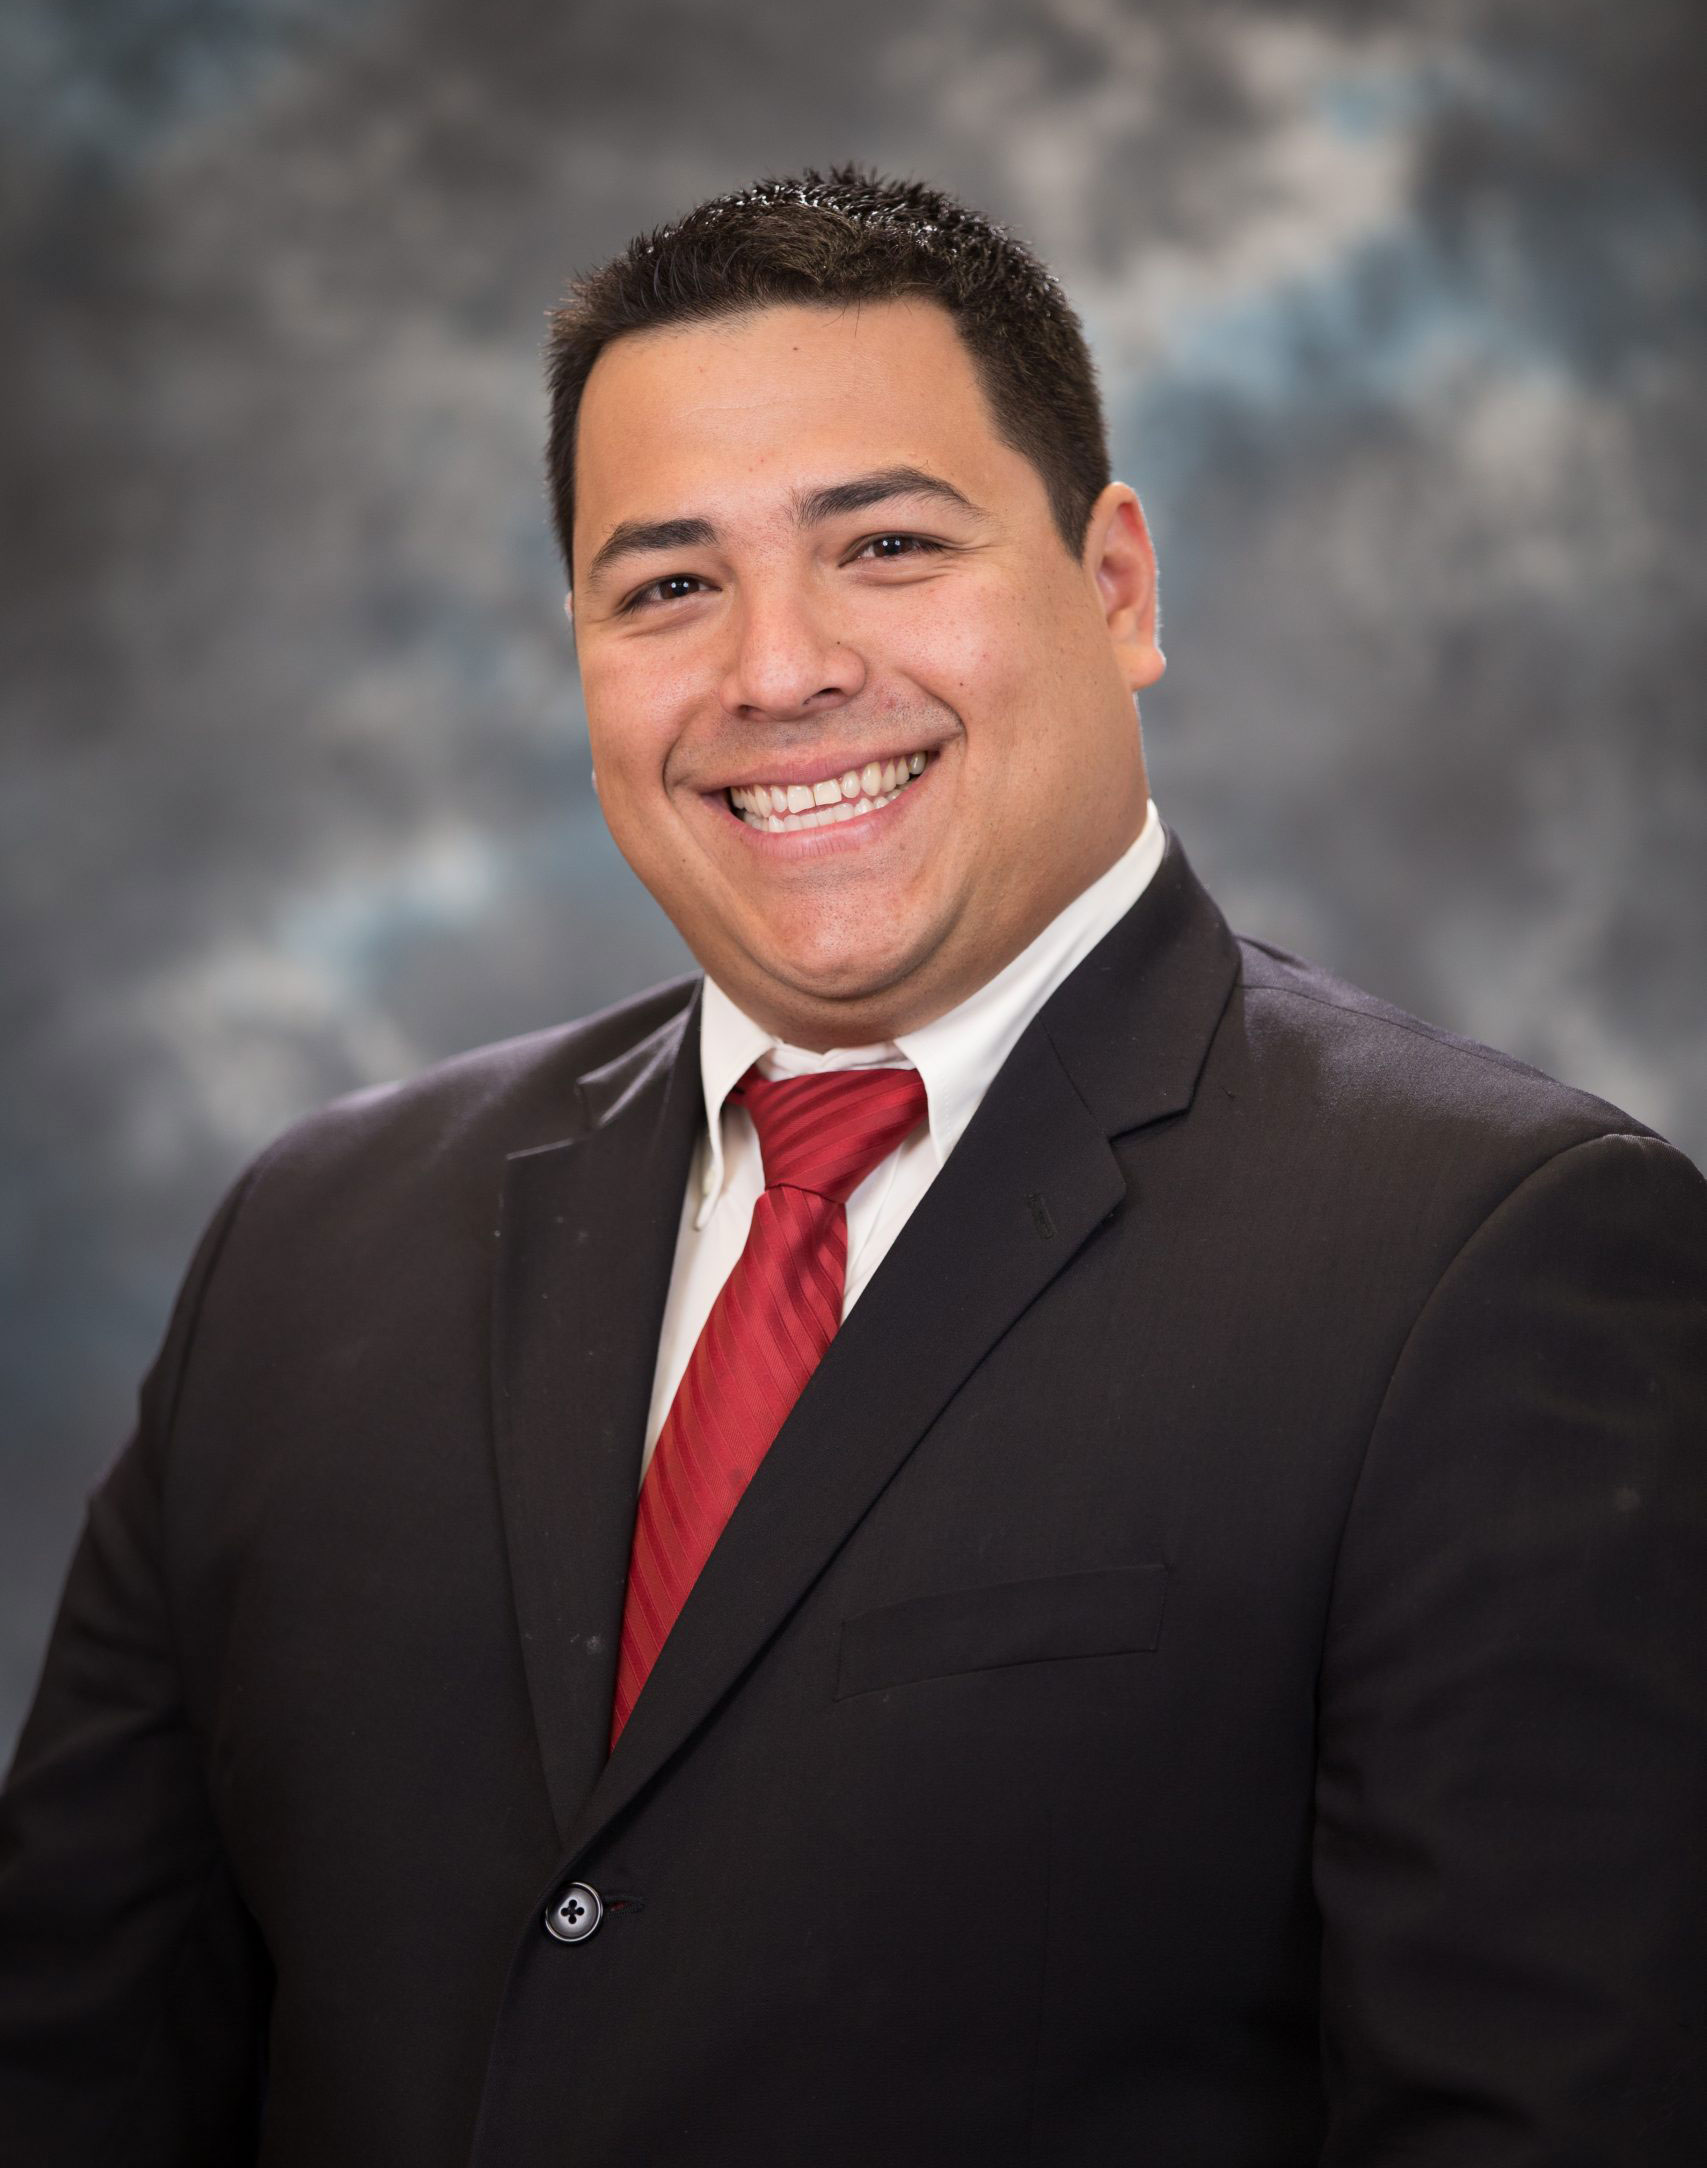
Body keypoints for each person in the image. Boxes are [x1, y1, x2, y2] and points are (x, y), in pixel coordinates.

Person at [2, 167, 1703, 2167]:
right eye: (664, 585)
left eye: (882, 544)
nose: (777, 668)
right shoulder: (316, 1242)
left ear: (1114, 585)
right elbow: (72, 2071)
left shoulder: (1487, 1256)